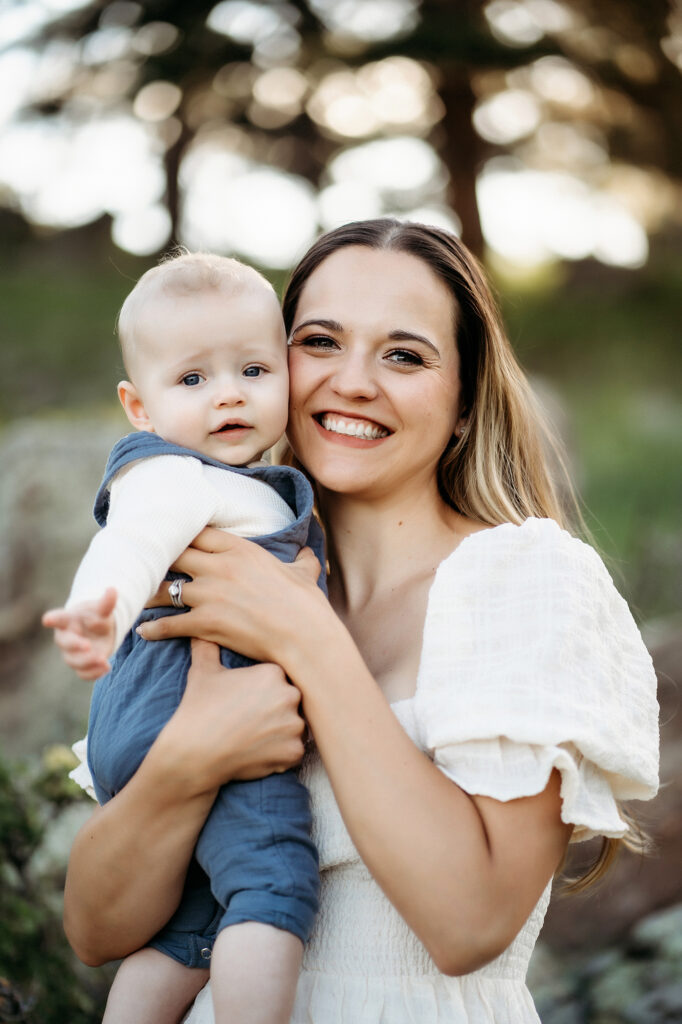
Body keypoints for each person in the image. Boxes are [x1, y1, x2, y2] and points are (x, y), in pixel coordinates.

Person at [63, 219, 659, 1024]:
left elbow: (469, 925)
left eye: (404, 355)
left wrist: (307, 639)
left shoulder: (524, 579)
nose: (352, 382)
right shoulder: (218, 576)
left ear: (461, 402)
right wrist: (188, 763)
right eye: (319, 341)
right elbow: (98, 932)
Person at [43, 251, 323, 1024]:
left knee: (184, 930)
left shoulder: (236, 481)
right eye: (193, 380)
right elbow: (131, 543)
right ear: (140, 407)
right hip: (201, 709)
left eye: (255, 370)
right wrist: (98, 610)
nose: (229, 394)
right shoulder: (177, 476)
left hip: (146, 725)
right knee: (273, 883)